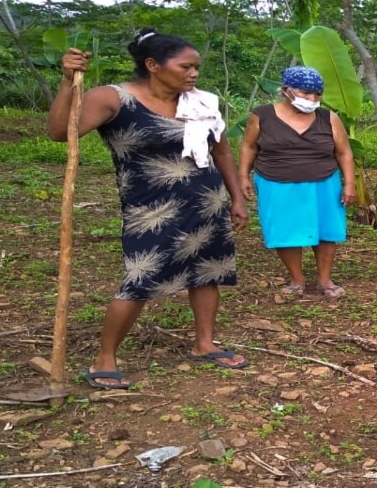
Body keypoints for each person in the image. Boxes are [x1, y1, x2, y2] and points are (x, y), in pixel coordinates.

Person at [48, 28, 249, 389]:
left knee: (207, 272)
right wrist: (67, 82)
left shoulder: (201, 103)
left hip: (207, 201)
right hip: (151, 209)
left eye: (196, 68)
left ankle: (204, 344)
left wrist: (236, 198)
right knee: (141, 278)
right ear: (153, 65)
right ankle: (104, 358)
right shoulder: (114, 99)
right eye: (186, 67)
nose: (194, 74)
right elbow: (61, 132)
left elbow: (221, 151)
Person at [238, 66, 355, 298]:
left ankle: (325, 280)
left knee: (327, 230)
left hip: (324, 182)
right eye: (305, 93)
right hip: (276, 182)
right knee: (285, 230)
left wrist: (349, 184)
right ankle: (296, 280)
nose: (312, 99)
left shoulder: (328, 118)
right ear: (286, 90)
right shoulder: (262, 116)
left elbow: (344, 152)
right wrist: (243, 176)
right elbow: (249, 147)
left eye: (317, 94)